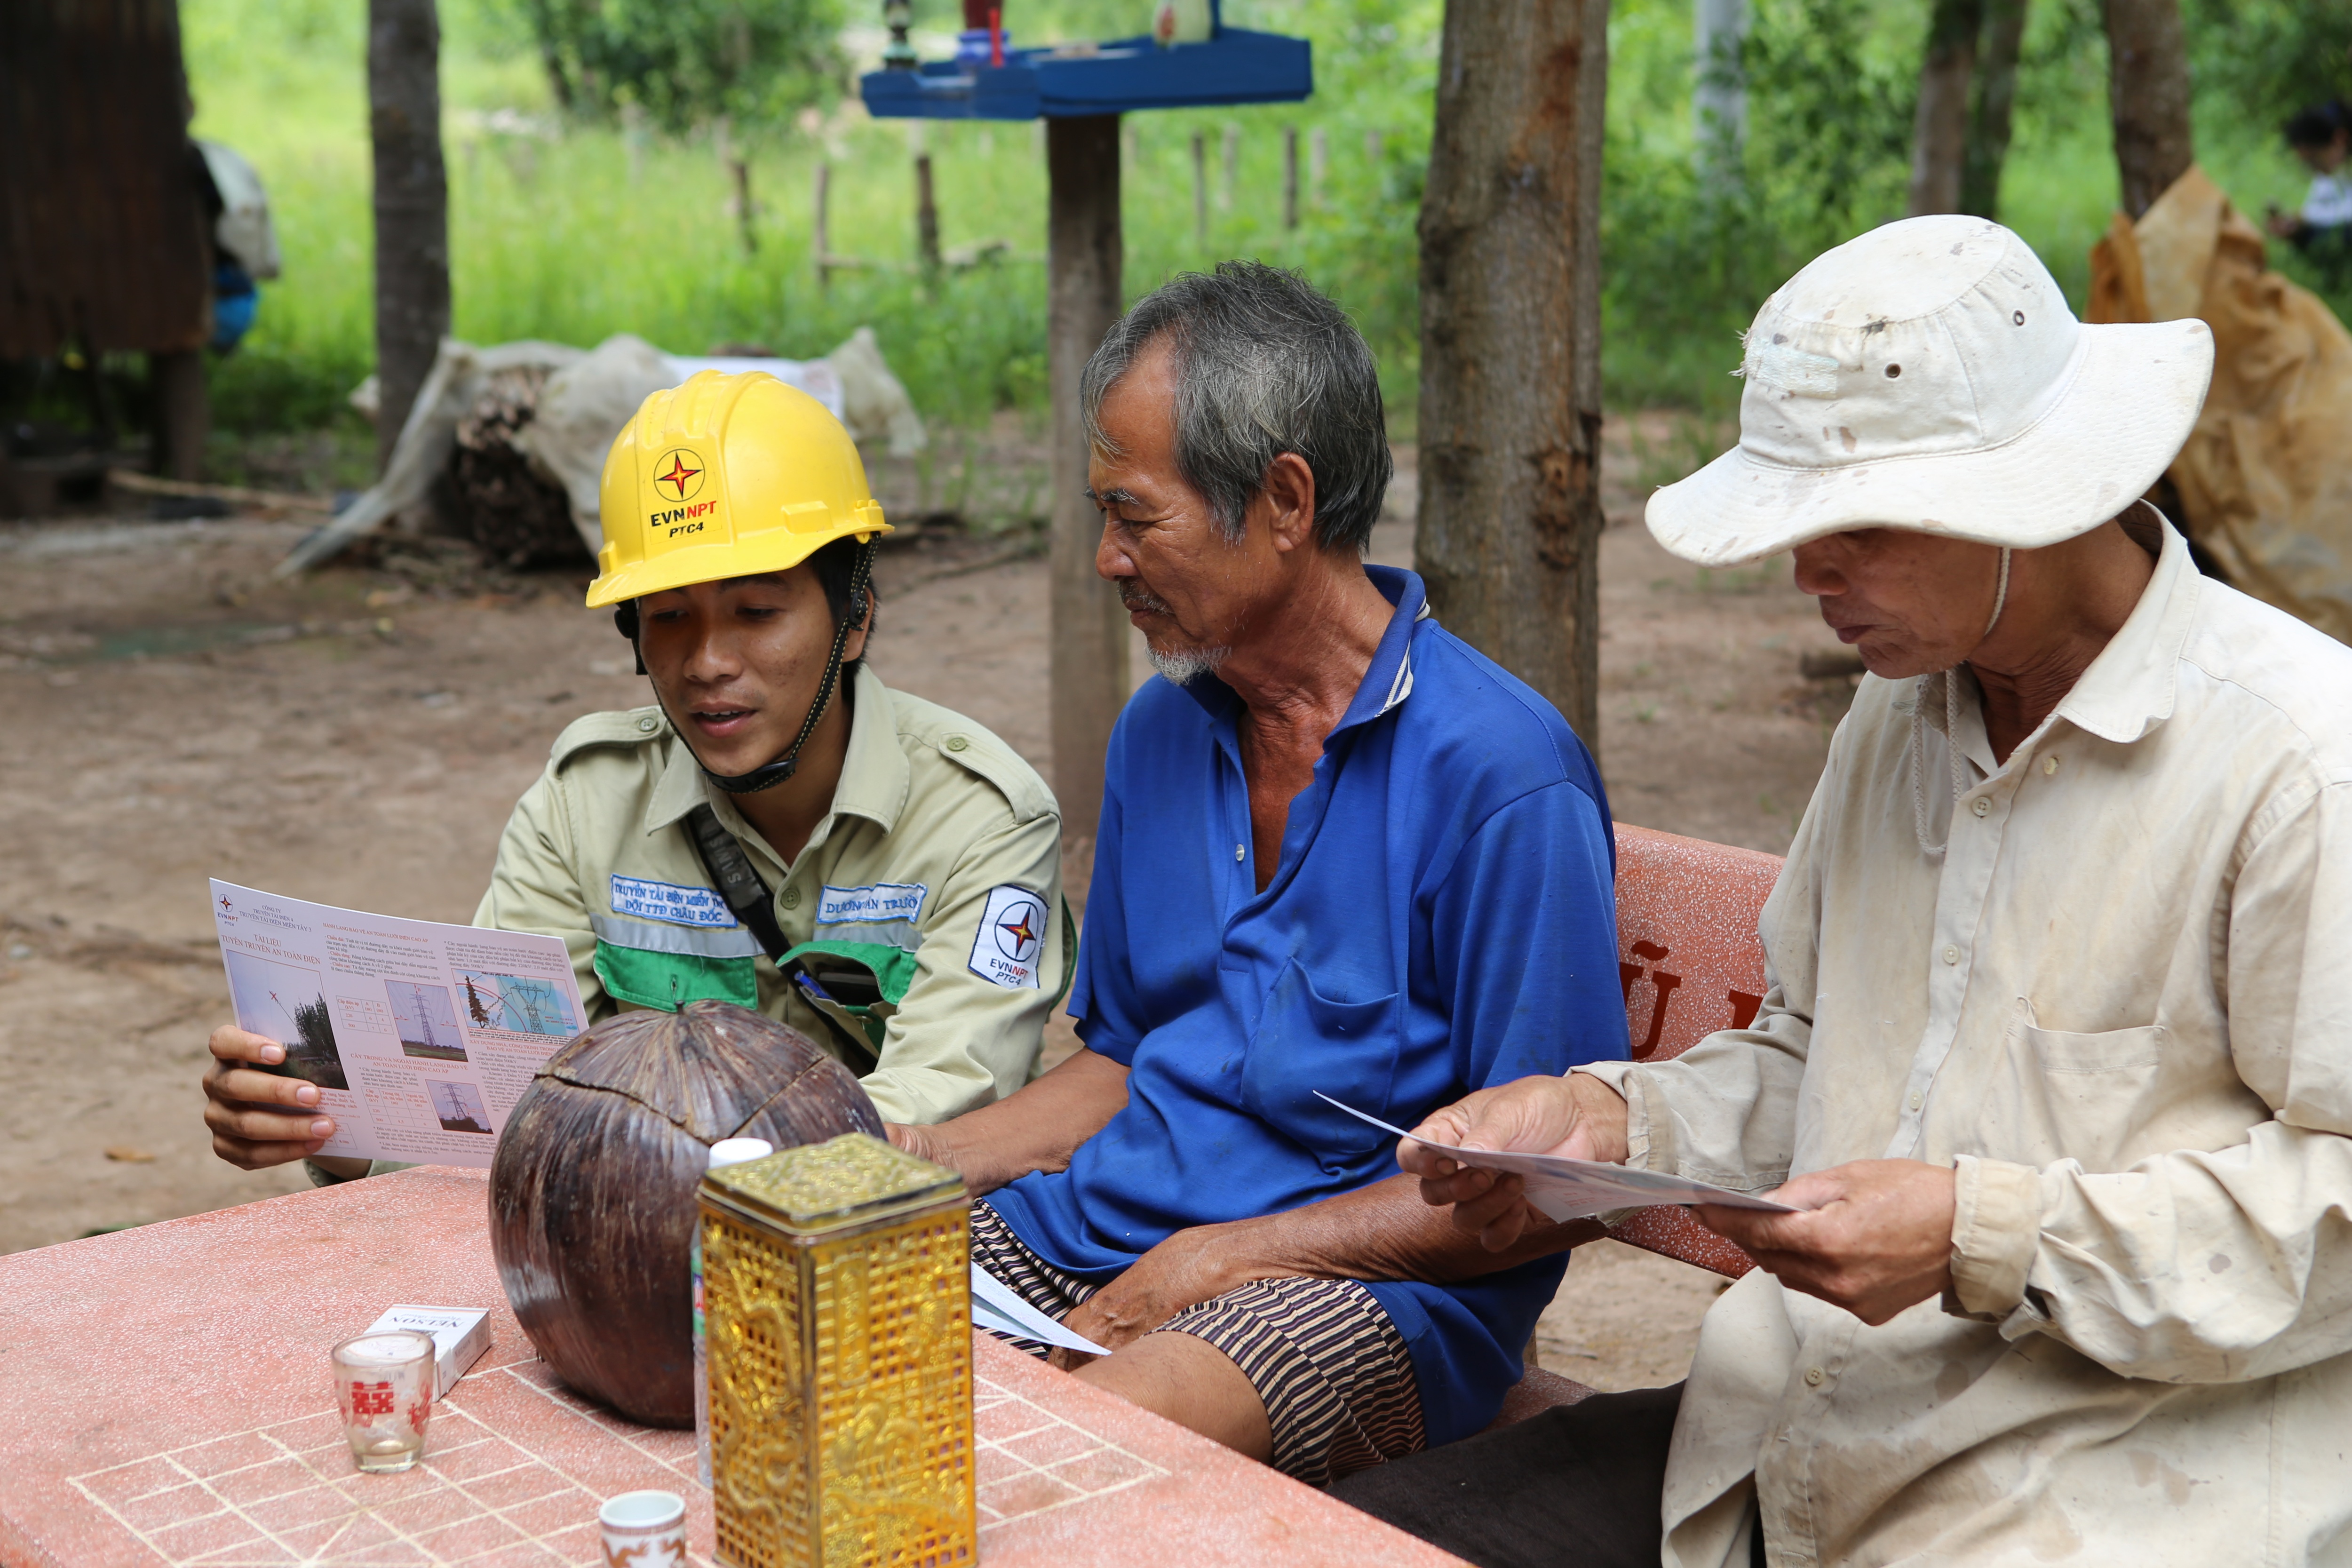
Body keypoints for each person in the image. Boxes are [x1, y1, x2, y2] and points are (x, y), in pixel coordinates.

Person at [1343, 215, 2352, 1565]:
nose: (1808, 573)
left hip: (2100, 1484)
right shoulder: (1899, 717)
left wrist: (1984, 1233)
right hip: (1790, 1434)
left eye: (1855, 529)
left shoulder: (2296, 760)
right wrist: (1605, 1123)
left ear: (2028, 500)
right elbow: (1818, 1063)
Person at [890, 261, 1628, 1488]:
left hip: (1363, 1288)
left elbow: (1542, 1188)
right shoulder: (1160, 733)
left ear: (1284, 500)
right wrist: (924, 1153)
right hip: (1096, 1230)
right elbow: (1127, 1055)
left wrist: (1218, 1261)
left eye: (1135, 517)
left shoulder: (1501, 775)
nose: (1107, 559)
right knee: (785, 1321)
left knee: (1059, 1459)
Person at [202, 370, 1068, 1181]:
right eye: (669, 617)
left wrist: (666, 1172)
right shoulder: (584, 805)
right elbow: (493, 1093)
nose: (708, 661)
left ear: (856, 618)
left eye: (757, 610)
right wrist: (333, 1124)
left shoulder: (981, 818)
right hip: (624, 1239)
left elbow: (939, 1106)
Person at [2265, 100, 2352, 284]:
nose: (2314, 169)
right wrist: (2294, 225)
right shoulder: (2334, 166)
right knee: (2308, 235)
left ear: (2339, 139)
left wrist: (2305, 217)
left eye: (2315, 160)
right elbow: (2319, 201)